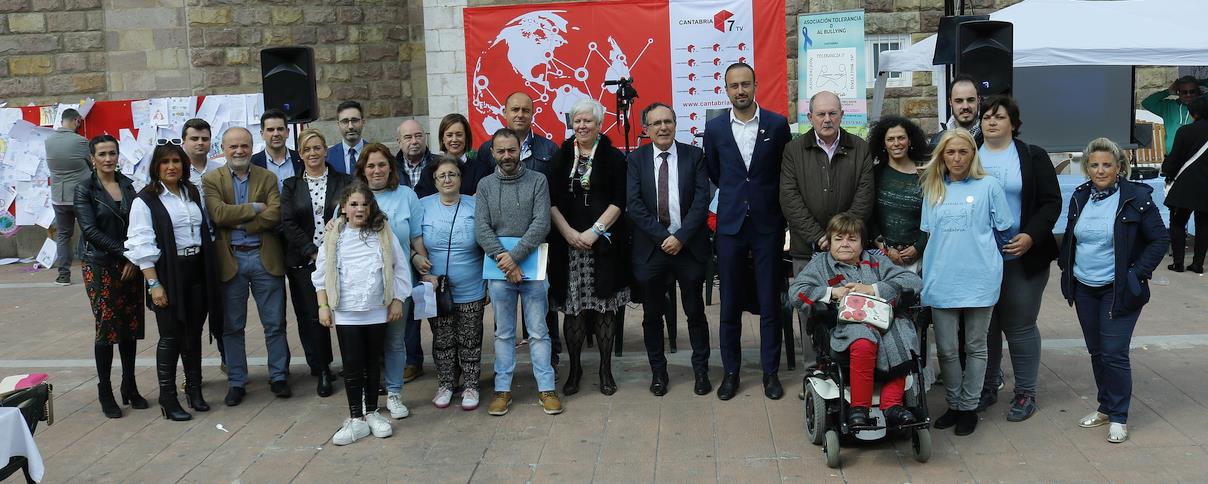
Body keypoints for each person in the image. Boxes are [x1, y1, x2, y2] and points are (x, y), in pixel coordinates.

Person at [1059, 137, 1168, 444]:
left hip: (1119, 288)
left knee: (1114, 353)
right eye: (1094, 165)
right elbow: (1073, 236)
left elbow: (1159, 240)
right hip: (1084, 287)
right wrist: (1065, 267)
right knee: (1097, 351)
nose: (1101, 170)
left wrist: (1137, 273)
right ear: (1086, 168)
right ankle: (1105, 407)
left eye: (1107, 164)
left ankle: (1119, 416)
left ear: (1120, 166)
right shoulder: (1080, 196)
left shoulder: (1136, 197)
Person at [703, 62, 792, 401]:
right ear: (726, 90)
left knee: (770, 301)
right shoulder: (714, 130)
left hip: (768, 225)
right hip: (730, 226)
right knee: (730, 304)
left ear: (756, 85)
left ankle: (771, 373)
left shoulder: (777, 124)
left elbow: (783, 172)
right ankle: (731, 373)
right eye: (733, 86)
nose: (739, 90)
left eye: (745, 84)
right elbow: (715, 171)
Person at [789, 213, 924, 428]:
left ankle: (892, 405)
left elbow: (912, 281)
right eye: (838, 238)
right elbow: (797, 293)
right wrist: (832, 292)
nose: (845, 244)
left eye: (852, 239)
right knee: (862, 339)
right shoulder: (820, 265)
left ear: (862, 243)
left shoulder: (876, 261)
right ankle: (859, 407)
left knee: (903, 333)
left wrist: (872, 289)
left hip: (884, 321)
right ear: (830, 242)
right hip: (845, 325)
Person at [920, 128, 1013, 436]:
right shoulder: (933, 188)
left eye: (963, 152)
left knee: (976, 346)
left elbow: (1004, 229)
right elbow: (930, 235)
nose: (957, 158)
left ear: (973, 154)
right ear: (942, 156)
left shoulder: (989, 186)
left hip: (979, 277)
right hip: (942, 277)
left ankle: (969, 407)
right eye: (950, 152)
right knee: (946, 349)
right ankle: (954, 403)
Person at [976, 95, 1062, 420]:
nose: (992, 122)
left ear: (1013, 122)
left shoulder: (1031, 155)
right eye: (986, 117)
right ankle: (986, 386)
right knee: (986, 326)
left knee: (1019, 325)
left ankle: (1025, 392)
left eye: (999, 117)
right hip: (980, 258)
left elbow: (1051, 202)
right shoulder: (968, 153)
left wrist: (1030, 236)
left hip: (1022, 258)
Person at [125, 142, 223, 421]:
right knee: (171, 335)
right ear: (156, 167)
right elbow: (141, 243)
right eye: (165, 162)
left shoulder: (191, 192)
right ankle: (168, 398)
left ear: (184, 165)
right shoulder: (145, 200)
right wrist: (154, 285)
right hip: (168, 272)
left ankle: (194, 389)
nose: (171, 167)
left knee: (193, 334)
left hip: (197, 269)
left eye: (176, 161)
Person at [313, 183, 411, 446]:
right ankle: (356, 417)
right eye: (353, 204)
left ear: (371, 208)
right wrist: (323, 306)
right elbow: (321, 275)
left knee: (372, 364)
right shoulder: (334, 237)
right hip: (347, 312)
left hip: (376, 310)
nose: (359, 209)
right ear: (343, 208)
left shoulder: (383, 233)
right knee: (352, 365)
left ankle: (372, 413)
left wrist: (397, 300)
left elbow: (399, 268)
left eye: (364, 204)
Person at [627, 102, 712, 396]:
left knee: (695, 313)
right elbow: (634, 205)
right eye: (656, 123)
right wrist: (663, 237)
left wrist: (680, 237)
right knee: (652, 315)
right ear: (646, 129)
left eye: (668, 121)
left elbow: (702, 201)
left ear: (675, 125)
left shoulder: (695, 156)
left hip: (687, 247)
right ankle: (658, 373)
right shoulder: (636, 159)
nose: (663, 127)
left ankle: (701, 370)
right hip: (652, 249)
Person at [475, 128, 561, 416]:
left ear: (520, 149)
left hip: (533, 266)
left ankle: (546, 388)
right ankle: (503, 390)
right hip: (499, 270)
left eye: (511, 150)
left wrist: (514, 259)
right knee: (503, 333)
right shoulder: (485, 185)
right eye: (501, 151)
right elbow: (482, 228)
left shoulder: (539, 180)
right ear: (492, 153)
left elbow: (541, 224)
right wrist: (504, 260)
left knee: (539, 331)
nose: (506, 156)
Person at [202, 127, 291, 406]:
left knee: (275, 323)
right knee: (232, 326)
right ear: (223, 149)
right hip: (231, 259)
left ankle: (278, 376)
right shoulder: (211, 179)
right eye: (233, 147)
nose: (239, 151)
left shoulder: (268, 177)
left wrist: (236, 219)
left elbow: (275, 214)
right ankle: (237, 381)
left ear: (251, 147)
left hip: (265, 257)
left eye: (244, 146)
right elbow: (217, 214)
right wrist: (254, 208)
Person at [549, 99, 630, 396]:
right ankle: (575, 369)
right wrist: (569, 233)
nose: (582, 126)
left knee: (603, 309)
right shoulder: (560, 156)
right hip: (568, 246)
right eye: (577, 121)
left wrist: (595, 232)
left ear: (599, 124)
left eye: (588, 121)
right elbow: (551, 201)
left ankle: (605, 369)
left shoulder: (612, 157)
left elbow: (620, 201)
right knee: (573, 311)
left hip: (603, 245)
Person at [353, 143, 431, 419]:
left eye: (382, 164)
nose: (377, 170)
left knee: (396, 342)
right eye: (371, 165)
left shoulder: (406, 196)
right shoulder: (354, 197)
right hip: (364, 287)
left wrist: (423, 267)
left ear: (391, 167)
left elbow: (415, 237)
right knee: (367, 344)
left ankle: (395, 394)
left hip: (399, 282)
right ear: (363, 169)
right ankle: (368, 395)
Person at [75, 135, 145, 418]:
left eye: (112, 153)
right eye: (102, 154)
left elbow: (140, 223)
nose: (108, 159)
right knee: (107, 326)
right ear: (92, 158)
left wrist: (134, 257)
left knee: (129, 323)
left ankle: (130, 384)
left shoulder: (128, 185)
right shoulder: (85, 189)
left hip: (129, 263)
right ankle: (105, 390)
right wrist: (125, 255)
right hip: (100, 264)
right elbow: (90, 231)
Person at [280, 129, 352, 397]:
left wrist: (332, 249)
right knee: (314, 317)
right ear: (300, 154)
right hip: (305, 261)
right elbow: (288, 223)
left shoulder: (344, 180)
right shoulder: (291, 186)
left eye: (317, 147)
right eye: (307, 149)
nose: (313, 153)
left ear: (326, 150)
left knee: (346, 313)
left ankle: (353, 366)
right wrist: (312, 251)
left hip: (341, 258)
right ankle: (323, 370)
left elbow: (352, 211)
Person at [419, 156, 487, 410]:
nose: (447, 180)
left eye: (452, 174)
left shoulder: (475, 204)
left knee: (470, 337)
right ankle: (446, 383)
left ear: (461, 178)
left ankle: (471, 384)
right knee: (442, 338)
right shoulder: (423, 206)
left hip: (472, 285)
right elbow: (413, 240)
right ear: (434, 181)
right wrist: (418, 260)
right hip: (437, 288)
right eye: (442, 176)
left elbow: (487, 241)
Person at [781, 90, 875, 264]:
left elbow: (865, 196)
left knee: (850, 292)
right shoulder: (793, 151)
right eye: (821, 114)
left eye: (832, 113)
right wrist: (818, 236)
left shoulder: (860, 148)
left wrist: (840, 237)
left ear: (842, 115)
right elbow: (790, 198)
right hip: (807, 249)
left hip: (850, 250)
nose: (827, 119)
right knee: (808, 292)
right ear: (810, 117)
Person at [868, 116, 930, 268]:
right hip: (883, 258)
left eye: (901, 138)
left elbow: (931, 214)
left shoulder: (924, 173)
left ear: (910, 141)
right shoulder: (875, 174)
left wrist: (919, 247)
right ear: (884, 143)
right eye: (890, 139)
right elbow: (870, 214)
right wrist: (885, 248)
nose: (896, 143)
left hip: (920, 258)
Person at [1161, 95, 1208, 273]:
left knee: (1178, 222)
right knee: (1204, 225)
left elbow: (1175, 159)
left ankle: (1178, 263)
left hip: (1185, 184)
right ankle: (1198, 264)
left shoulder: (1185, 131)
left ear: (1193, 113)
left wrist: (1168, 174)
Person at [46, 108, 93, 286]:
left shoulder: (48, 141)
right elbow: (91, 163)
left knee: (63, 235)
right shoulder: (81, 142)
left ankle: (63, 274)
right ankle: (90, 268)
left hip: (59, 196)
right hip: (80, 195)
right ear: (75, 120)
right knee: (89, 232)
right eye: (78, 122)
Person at [1142, 75, 1208, 155]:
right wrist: (1168, 92)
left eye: (1192, 91)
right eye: (1184, 92)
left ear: (1197, 92)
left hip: (1195, 158)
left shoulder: (1203, 106)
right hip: (1172, 157)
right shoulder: (1169, 106)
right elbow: (1147, 103)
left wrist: (1199, 81)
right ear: (1178, 92)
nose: (1188, 95)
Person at [436, 113, 491, 195]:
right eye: (449, 135)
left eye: (459, 135)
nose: (454, 139)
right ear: (443, 139)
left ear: (466, 137)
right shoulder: (431, 170)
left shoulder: (481, 171)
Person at [251, 109, 302, 191]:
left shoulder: (301, 159)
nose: (276, 134)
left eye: (280, 129)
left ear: (287, 132)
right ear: (262, 134)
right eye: (270, 130)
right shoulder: (252, 163)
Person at [929, 74, 983, 148]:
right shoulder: (937, 142)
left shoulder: (992, 138)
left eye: (970, 100)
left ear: (978, 100)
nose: (965, 106)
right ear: (950, 102)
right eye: (959, 101)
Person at [397, 119, 439, 198]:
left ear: (425, 138)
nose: (414, 141)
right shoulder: (391, 168)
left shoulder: (440, 164)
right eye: (408, 137)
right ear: (399, 142)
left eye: (418, 136)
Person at [182, 118, 223, 197]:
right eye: (194, 139)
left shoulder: (220, 170)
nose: (200, 143)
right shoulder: (176, 170)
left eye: (205, 139)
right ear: (183, 142)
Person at [326, 100, 368, 174]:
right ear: (338, 124)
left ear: (363, 122)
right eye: (345, 121)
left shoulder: (376, 152)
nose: (350, 126)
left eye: (354, 120)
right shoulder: (328, 156)